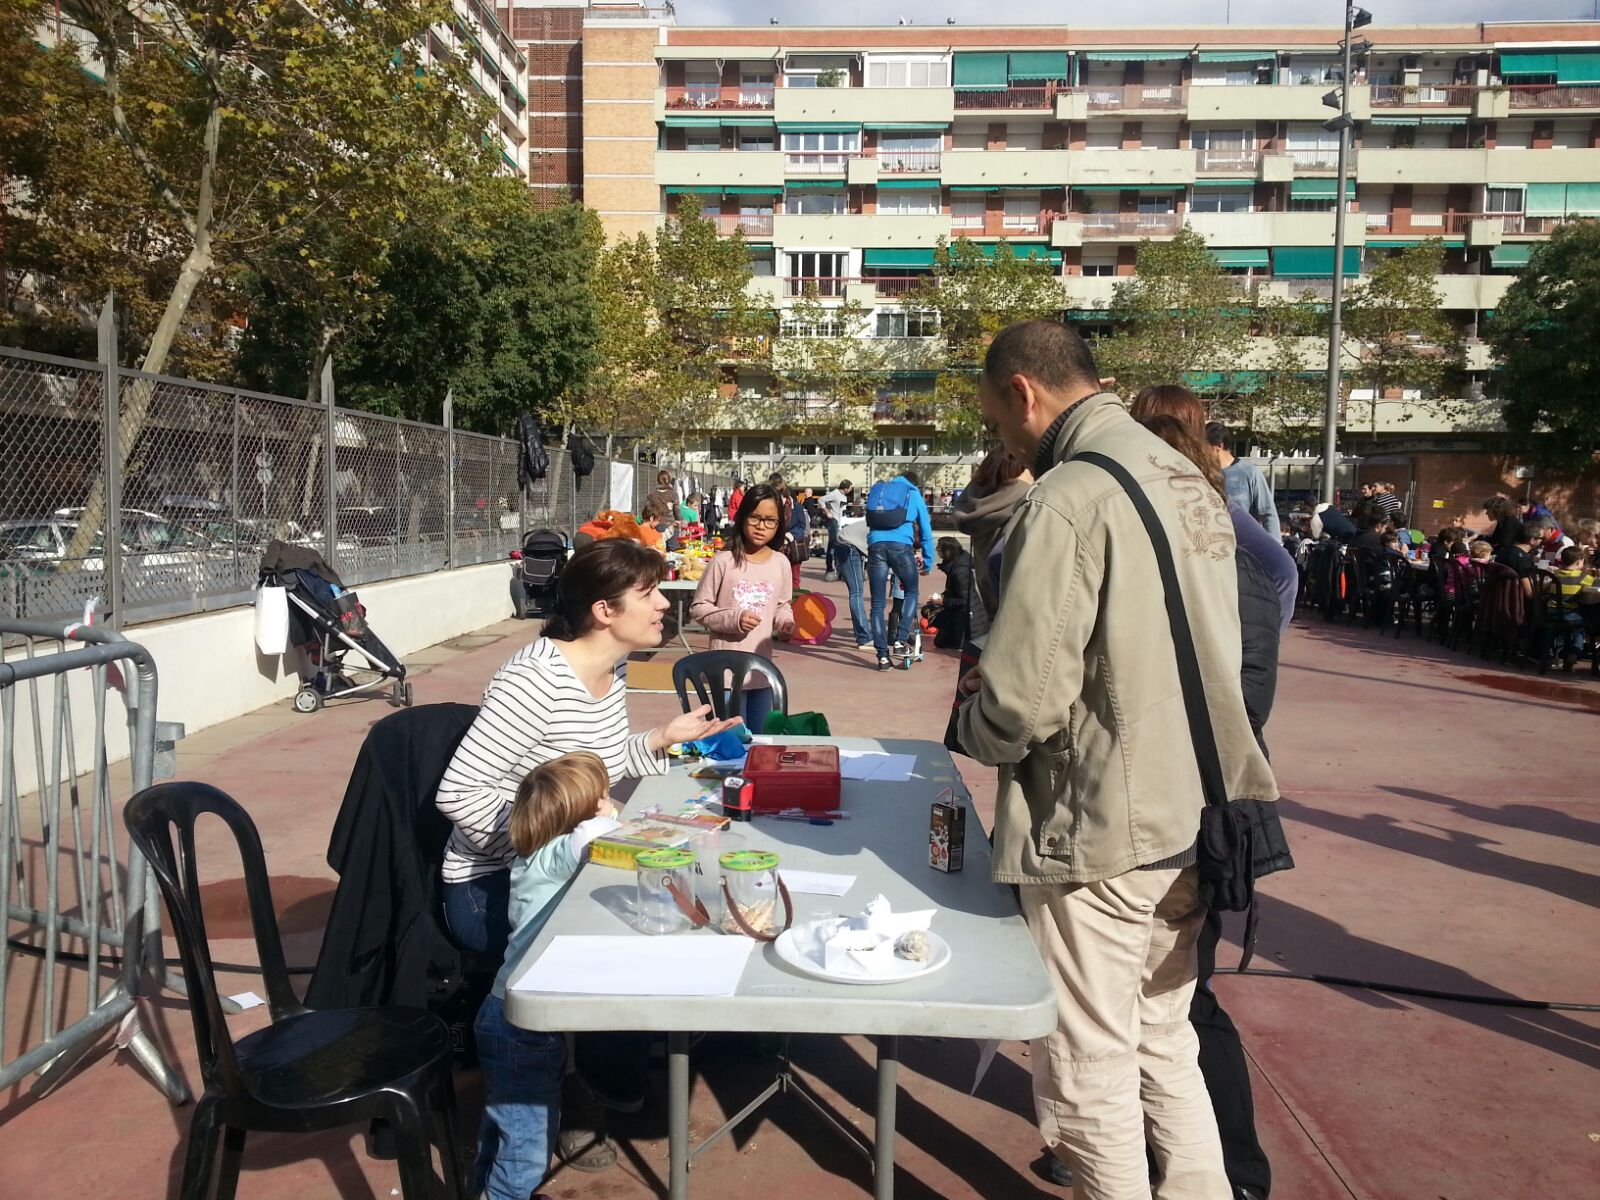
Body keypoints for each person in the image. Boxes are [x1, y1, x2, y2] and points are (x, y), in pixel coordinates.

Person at [957, 320, 1278, 1200]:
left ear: (1022, 392)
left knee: (1086, 1061)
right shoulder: (1184, 477)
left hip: (1103, 823)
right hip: (1201, 808)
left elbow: (1021, 702)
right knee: (1163, 1038)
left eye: (997, 420)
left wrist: (973, 727)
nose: (1003, 439)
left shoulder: (1070, 495)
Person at [474, 752, 618, 1200]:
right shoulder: (554, 857)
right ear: (582, 815)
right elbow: (594, 836)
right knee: (526, 1151)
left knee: (505, 1131)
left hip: (510, 1021)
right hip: (521, 1028)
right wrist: (608, 817)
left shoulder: (535, 857)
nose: (610, 802)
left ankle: (486, 1189)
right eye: (603, 797)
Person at [1132, 386, 1297, 634]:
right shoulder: (1206, 489)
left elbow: (1268, 518)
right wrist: (1257, 645)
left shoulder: (1236, 480)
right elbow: (1281, 571)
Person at [690, 484, 796, 733]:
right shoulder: (723, 561)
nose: (761, 526)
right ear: (742, 517)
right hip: (726, 675)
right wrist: (734, 619)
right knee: (732, 739)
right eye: (755, 518)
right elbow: (698, 608)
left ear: (779, 524)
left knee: (760, 739)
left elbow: (782, 605)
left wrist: (785, 623)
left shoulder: (781, 563)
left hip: (762, 672)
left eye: (770, 520)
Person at [865, 469, 935, 671]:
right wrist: (928, 562)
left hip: (875, 545)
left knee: (877, 604)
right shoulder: (912, 493)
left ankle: (882, 657)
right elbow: (925, 531)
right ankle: (900, 641)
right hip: (901, 547)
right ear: (915, 482)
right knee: (911, 591)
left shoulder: (881, 492)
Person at [1205, 421, 1279, 535]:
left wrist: (1274, 544)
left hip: (1245, 542)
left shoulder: (1250, 472)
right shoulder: (1202, 474)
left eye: (1203, 448)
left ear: (1219, 446)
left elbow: (1268, 514)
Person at [835, 511, 873, 651]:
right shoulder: (888, 530)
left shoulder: (882, 521)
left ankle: (863, 635)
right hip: (849, 546)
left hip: (843, 542)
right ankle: (864, 638)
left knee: (855, 591)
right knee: (856, 592)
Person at [929, 536, 973, 650]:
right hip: (957, 607)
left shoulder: (959, 571)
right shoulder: (957, 562)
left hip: (963, 612)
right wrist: (942, 596)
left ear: (947, 551)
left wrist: (942, 601)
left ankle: (956, 634)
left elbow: (964, 600)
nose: (937, 551)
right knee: (928, 609)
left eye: (939, 549)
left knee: (944, 642)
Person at [1493, 520, 1538, 598]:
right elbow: (1529, 593)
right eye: (1542, 538)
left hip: (1499, 597)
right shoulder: (1522, 560)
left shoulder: (1505, 551)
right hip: (1517, 600)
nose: (1543, 541)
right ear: (1532, 540)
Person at [819, 480, 852, 580]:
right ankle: (829, 568)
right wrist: (827, 511)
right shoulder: (835, 494)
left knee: (840, 545)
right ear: (845, 488)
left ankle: (839, 568)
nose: (851, 490)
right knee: (832, 545)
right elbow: (821, 500)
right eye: (850, 488)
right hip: (834, 521)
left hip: (842, 522)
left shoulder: (843, 496)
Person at [785, 486, 812, 590]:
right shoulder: (777, 508)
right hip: (780, 545)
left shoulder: (797, 508)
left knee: (794, 574)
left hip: (794, 545)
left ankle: (795, 594)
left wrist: (791, 535)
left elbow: (802, 526)